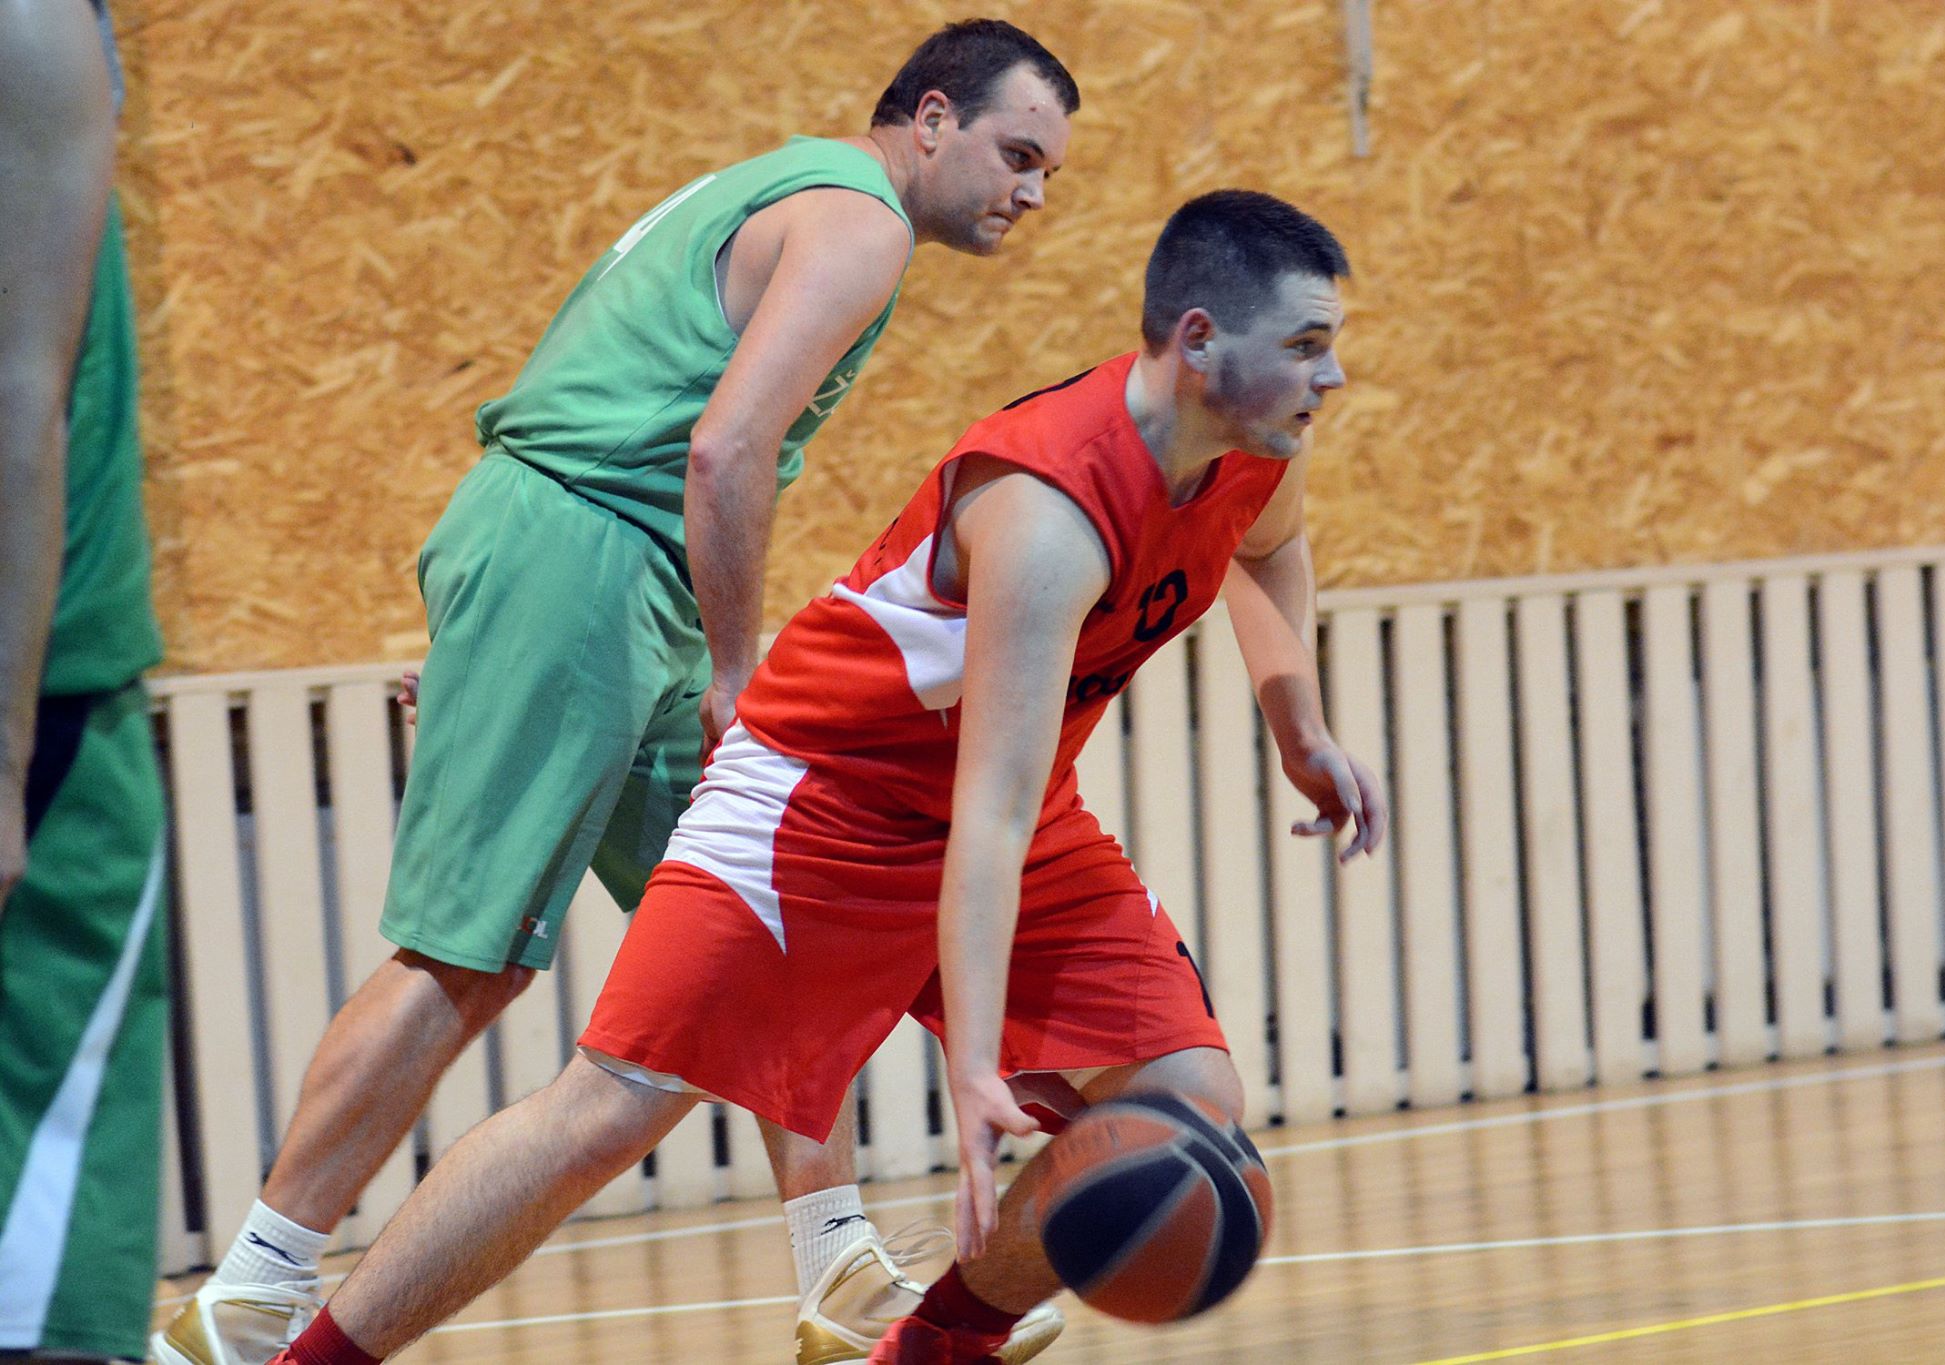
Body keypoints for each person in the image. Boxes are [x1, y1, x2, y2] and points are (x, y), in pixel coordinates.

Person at [259, 189, 1387, 1365]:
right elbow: (989, 815)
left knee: (1187, 1104)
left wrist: (1297, 726)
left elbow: (1270, 550)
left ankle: (933, 1349)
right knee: (614, 1107)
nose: (1332, 375)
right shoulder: (1049, 507)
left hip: (1000, 813)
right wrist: (973, 1070)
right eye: (1306, 345)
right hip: (820, 799)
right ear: (1198, 341)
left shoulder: (1254, 448)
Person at [153, 20, 1078, 1365]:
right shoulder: (860, 220)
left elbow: (634, 400)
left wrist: (532, 614)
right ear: (931, 118)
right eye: (1017, 154)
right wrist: (725, 668)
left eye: (1048, 172)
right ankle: (251, 1292)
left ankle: (837, 1265)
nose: (1032, 192)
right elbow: (725, 448)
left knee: (760, 922)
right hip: (584, 559)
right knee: (466, 958)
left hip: (598, 573)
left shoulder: (782, 185)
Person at [0, 1, 171, 1361]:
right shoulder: (36, 27)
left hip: (52, 672)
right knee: (42, 1301)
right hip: (47, 689)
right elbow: (20, 403)